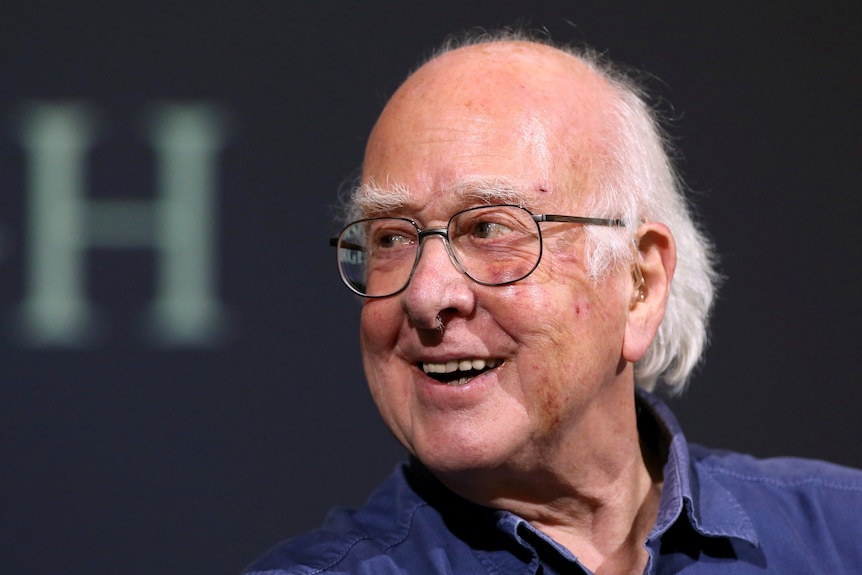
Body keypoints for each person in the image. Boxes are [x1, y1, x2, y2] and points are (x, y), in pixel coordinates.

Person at [244, 31, 862, 574]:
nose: (426, 295)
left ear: (639, 284)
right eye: (392, 238)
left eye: (488, 229)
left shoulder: (842, 535)